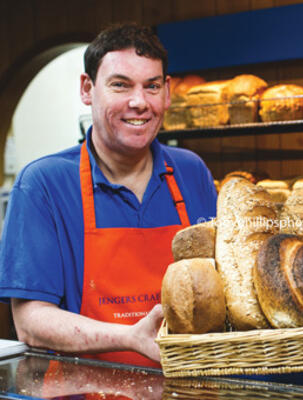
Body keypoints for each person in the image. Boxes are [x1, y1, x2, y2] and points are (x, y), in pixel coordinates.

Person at [0, 23, 217, 367]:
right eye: (120, 85)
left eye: (152, 86)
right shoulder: (43, 184)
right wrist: (130, 338)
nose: (139, 102)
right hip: (82, 389)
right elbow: (30, 322)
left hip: (187, 386)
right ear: (88, 89)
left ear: (168, 92)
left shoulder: (192, 172)